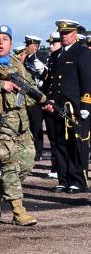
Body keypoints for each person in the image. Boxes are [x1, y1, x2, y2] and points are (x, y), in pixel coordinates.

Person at [0, 25, 51, 226]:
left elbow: (29, 90)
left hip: (20, 124)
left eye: (5, 39)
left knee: (26, 163)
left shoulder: (17, 64)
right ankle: (18, 211)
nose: (0, 43)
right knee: (10, 165)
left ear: (10, 43)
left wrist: (44, 102)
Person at [47, 20, 91, 194]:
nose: (64, 36)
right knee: (60, 144)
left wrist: (86, 103)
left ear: (75, 34)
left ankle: (77, 180)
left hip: (76, 108)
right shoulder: (56, 54)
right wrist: (49, 100)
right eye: (62, 33)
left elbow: (87, 80)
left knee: (76, 144)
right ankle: (63, 179)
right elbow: (51, 83)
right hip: (58, 107)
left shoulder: (82, 53)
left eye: (67, 33)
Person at [22, 35, 47, 162]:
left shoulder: (40, 58)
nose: (26, 47)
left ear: (35, 46)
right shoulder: (26, 59)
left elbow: (45, 75)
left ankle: (38, 152)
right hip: (27, 96)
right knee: (29, 126)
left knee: (37, 127)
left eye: (28, 45)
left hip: (37, 97)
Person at [43, 32, 62, 179]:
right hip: (50, 102)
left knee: (61, 138)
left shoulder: (64, 58)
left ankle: (61, 167)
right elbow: (48, 81)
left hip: (61, 103)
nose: (51, 46)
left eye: (54, 43)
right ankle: (55, 166)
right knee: (53, 137)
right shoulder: (52, 59)